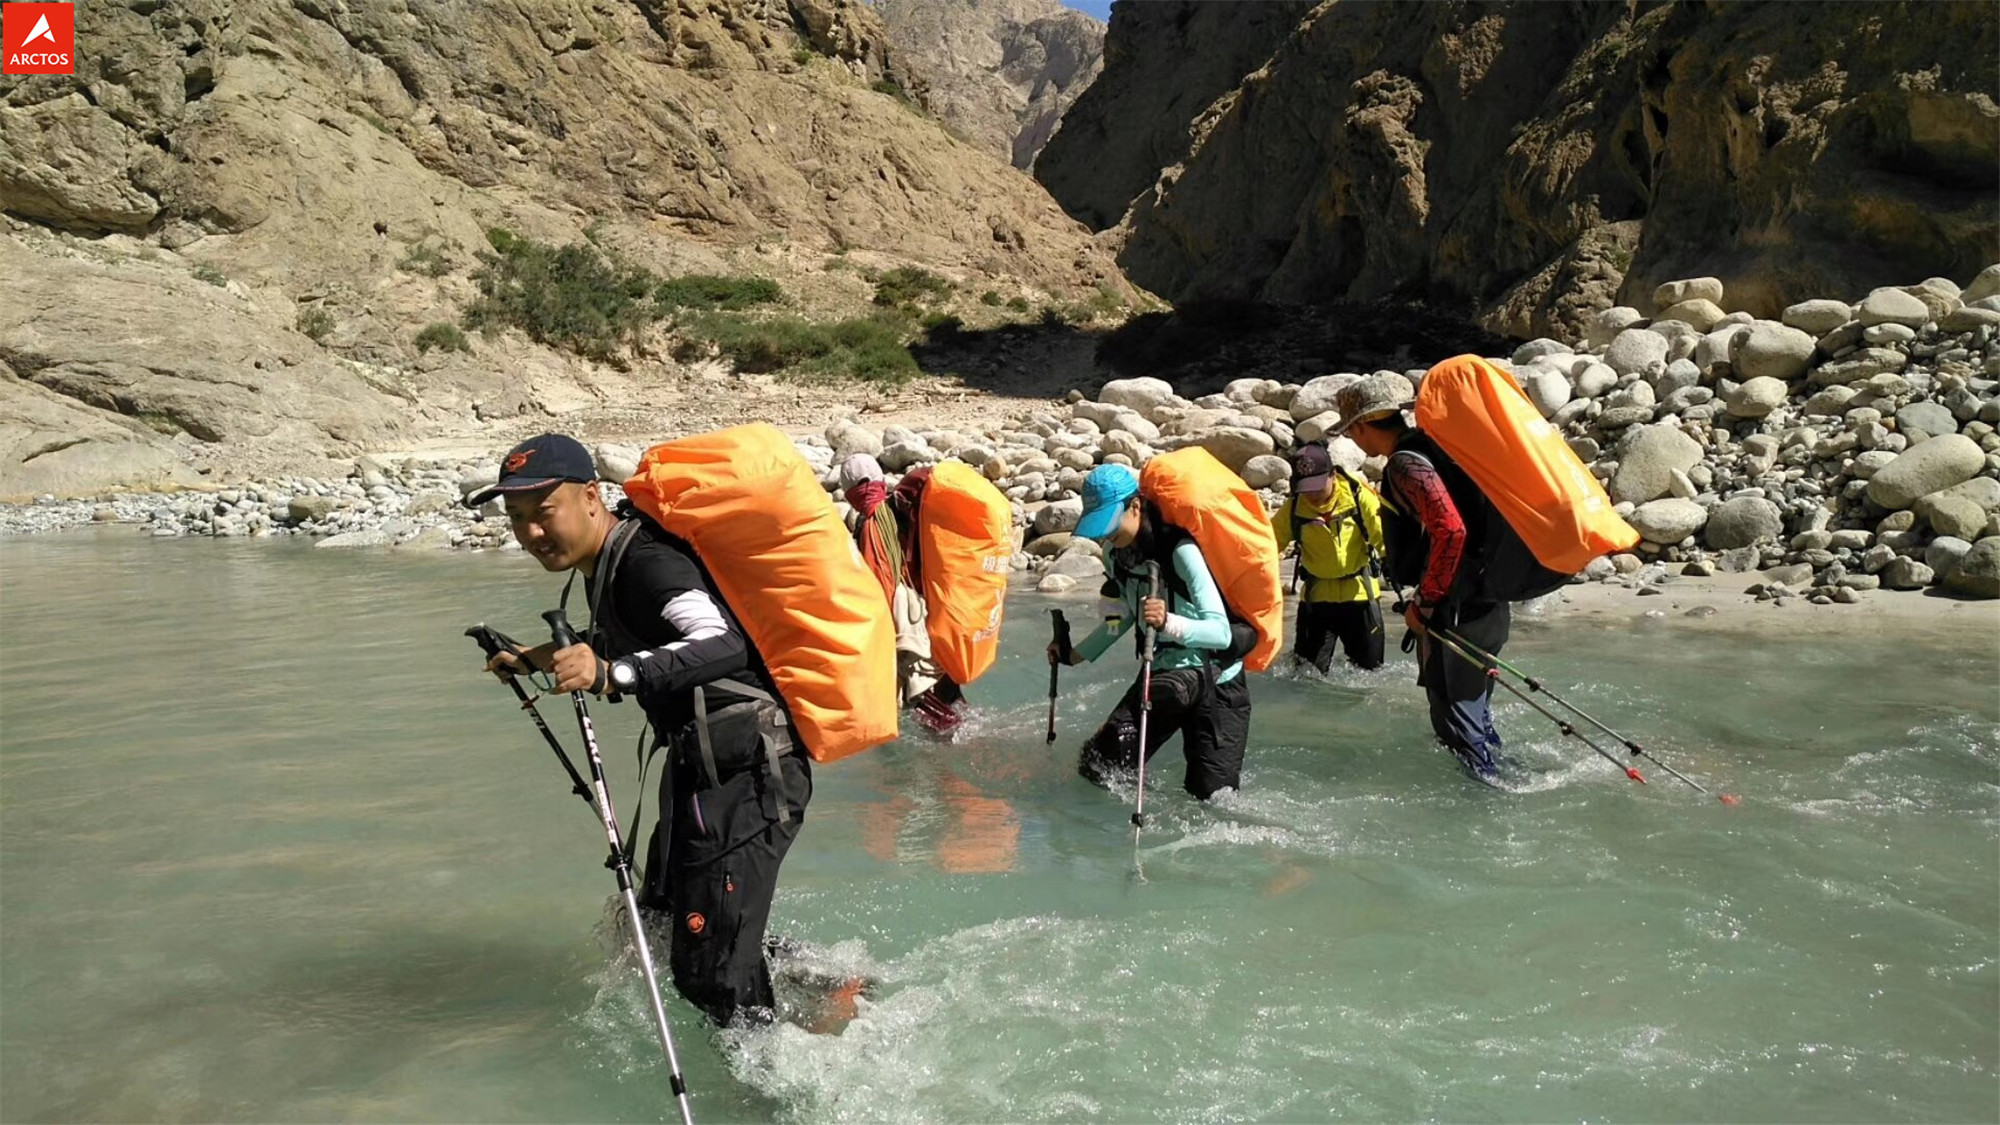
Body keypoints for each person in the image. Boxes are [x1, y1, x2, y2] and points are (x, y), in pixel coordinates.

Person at [471, 433, 810, 1025]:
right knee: (659, 922)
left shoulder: (647, 560)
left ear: (592, 497)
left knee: (708, 973)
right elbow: (627, 638)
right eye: (517, 519)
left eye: (543, 512)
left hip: (748, 771)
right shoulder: (604, 564)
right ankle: (823, 988)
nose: (530, 533)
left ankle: (774, 1089)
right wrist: (537, 658)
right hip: (700, 767)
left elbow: (721, 642)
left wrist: (613, 673)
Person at [1331, 376, 1510, 779]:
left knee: (1457, 719)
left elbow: (1450, 530)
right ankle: (1498, 778)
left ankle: (1485, 802)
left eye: (1350, 431)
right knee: (1476, 713)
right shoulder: (1438, 448)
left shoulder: (1404, 464)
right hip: (1491, 596)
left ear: (1361, 427)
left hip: (1458, 608)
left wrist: (1425, 603)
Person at [1047, 463, 1252, 801]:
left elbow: (1221, 634)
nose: (1105, 534)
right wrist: (1074, 655)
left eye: (1110, 522)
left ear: (1136, 506)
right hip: (1162, 674)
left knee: (1212, 798)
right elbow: (1122, 618)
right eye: (1099, 525)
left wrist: (1168, 621)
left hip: (1218, 682)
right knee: (1099, 764)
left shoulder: (1180, 551)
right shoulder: (1115, 555)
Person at [839, 453, 966, 732]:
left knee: (932, 715)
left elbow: (880, 587)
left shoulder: (873, 525)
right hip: (934, 616)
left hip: (908, 629)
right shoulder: (905, 512)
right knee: (951, 705)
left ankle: (951, 769)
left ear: (850, 493)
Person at [1271, 442, 1386, 673]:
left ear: (1333, 474)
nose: (1311, 494)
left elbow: (1385, 541)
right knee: (1306, 677)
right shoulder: (1294, 508)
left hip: (1361, 598)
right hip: (1317, 601)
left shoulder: (1359, 496)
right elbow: (1266, 546)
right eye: (1305, 487)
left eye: (1316, 486)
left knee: (1370, 675)